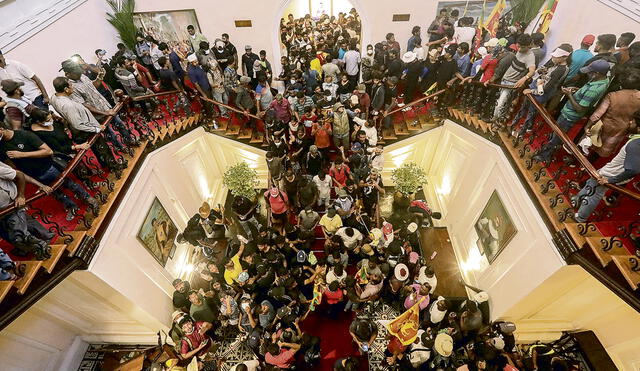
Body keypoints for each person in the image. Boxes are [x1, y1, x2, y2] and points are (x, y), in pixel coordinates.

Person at [534, 59, 610, 163]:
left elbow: (580, 108)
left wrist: (569, 95)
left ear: (597, 73)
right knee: (557, 134)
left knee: (557, 137)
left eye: (590, 72)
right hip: (568, 112)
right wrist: (577, 90)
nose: (588, 73)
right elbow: (585, 96)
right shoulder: (602, 80)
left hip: (569, 116)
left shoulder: (594, 89)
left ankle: (545, 156)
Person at [50, 77, 120, 172]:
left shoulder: (54, 97)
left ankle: (105, 164)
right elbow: (78, 124)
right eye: (71, 86)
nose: (73, 87)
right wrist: (96, 128)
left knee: (97, 149)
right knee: (103, 148)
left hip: (78, 128)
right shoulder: (68, 105)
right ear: (66, 89)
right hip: (85, 130)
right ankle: (114, 168)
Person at [574, 131, 640, 222]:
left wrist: (611, 180)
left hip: (610, 174)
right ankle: (577, 200)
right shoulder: (636, 141)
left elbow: (633, 170)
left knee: (594, 194)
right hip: (615, 173)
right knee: (591, 184)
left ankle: (580, 217)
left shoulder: (635, 144)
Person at [0, 161, 53, 260]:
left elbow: (19, 175)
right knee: (25, 224)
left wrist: (20, 195)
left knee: (18, 235)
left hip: (11, 205)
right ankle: (33, 244)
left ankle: (42, 249)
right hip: (2, 212)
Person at [583, 70, 640, 158]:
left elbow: (597, 114)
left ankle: (580, 160)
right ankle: (590, 163)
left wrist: (588, 126)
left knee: (592, 143)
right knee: (603, 149)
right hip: (621, 129)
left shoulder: (613, 95)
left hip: (604, 125)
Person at [488, 34, 536, 125]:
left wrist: (524, 79)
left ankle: (495, 120)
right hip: (505, 78)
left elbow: (532, 71)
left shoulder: (530, 56)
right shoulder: (518, 49)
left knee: (502, 102)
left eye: (523, 47)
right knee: (500, 100)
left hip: (511, 82)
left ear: (529, 45)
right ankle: (496, 119)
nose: (520, 49)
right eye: (518, 46)